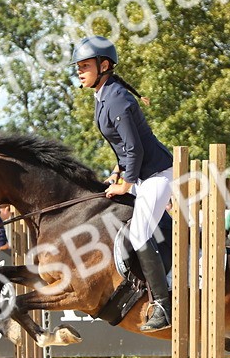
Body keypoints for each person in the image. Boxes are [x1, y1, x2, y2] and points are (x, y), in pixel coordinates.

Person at [72, 35, 174, 331]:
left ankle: (164, 306)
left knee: (140, 233)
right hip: (141, 174)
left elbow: (135, 149)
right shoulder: (105, 95)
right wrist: (117, 174)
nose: (80, 71)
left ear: (104, 65)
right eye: (78, 66)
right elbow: (123, 148)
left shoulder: (116, 98)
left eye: (85, 65)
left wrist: (126, 183)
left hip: (156, 174)